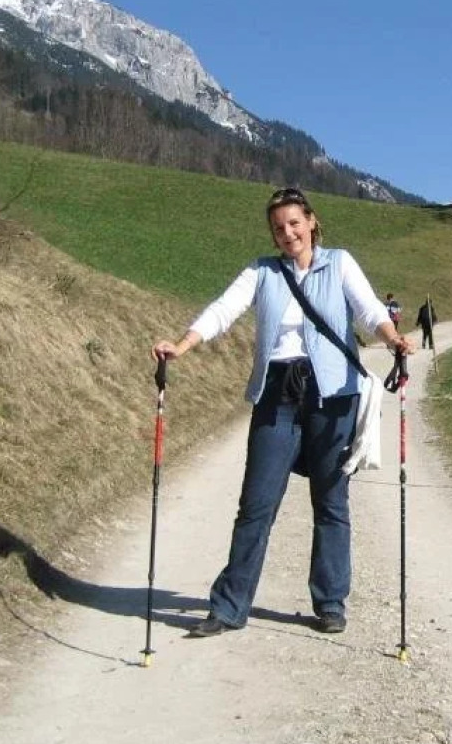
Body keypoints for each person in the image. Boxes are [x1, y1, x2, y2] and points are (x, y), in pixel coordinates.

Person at [152, 187, 412, 638]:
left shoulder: (340, 262)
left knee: (331, 501)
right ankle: (229, 607)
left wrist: (393, 340)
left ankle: (330, 602)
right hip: (277, 393)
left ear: (312, 221)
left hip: (332, 395)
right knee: (256, 504)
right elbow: (223, 311)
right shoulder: (263, 272)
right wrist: (182, 345)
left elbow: (370, 311)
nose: (287, 232)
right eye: (278, 227)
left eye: (294, 222)